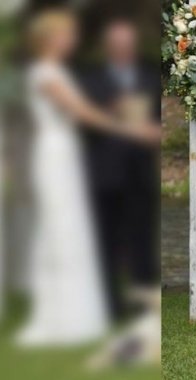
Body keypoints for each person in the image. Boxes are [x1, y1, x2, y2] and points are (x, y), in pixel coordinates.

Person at [19, 9, 158, 346]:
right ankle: (66, 314)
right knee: (64, 229)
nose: (73, 40)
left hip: (67, 155)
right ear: (51, 38)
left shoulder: (56, 71)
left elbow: (89, 111)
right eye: (67, 35)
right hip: (56, 155)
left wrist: (118, 115)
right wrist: (135, 129)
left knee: (73, 230)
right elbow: (82, 113)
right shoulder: (46, 72)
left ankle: (82, 310)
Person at [79, 18, 160, 321]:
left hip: (140, 172)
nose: (123, 49)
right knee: (106, 242)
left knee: (142, 239)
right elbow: (79, 123)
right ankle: (109, 306)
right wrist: (110, 114)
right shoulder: (90, 79)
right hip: (104, 173)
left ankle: (144, 305)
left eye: (127, 44)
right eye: (117, 44)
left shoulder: (149, 77)